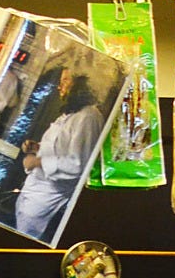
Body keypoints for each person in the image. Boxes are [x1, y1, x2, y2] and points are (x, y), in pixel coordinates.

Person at [13, 67, 106, 242]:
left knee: (26, 243)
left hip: (49, 196)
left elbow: (77, 165)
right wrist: (37, 148)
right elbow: (59, 149)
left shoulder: (88, 117)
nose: (59, 86)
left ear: (80, 85)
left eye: (65, 80)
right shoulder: (70, 115)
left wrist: (37, 162)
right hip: (33, 189)